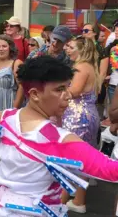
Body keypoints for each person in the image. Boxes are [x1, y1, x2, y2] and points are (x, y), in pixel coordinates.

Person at [0, 56, 118, 217]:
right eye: (59, 89)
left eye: (67, 87)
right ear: (35, 94)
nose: (68, 96)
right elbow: (111, 171)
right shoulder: (58, 139)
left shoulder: (6, 117)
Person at [60, 37, 101, 213]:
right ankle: (77, 200)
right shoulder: (91, 67)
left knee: (69, 158)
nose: (67, 49)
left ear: (81, 50)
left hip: (78, 117)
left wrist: (56, 91)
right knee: (81, 159)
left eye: (70, 47)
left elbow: (74, 92)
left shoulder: (81, 67)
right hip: (88, 115)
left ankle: (61, 200)